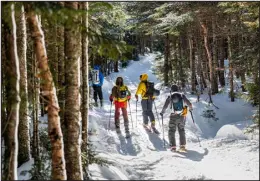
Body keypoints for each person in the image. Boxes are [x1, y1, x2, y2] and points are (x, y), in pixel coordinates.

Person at [160, 84, 193, 152]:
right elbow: (189, 103)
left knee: (172, 130)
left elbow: (165, 106)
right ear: (177, 89)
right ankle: (182, 146)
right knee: (181, 130)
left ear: (171, 90)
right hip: (182, 114)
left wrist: (162, 112)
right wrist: (190, 108)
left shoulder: (170, 96)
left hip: (173, 115)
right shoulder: (181, 95)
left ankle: (173, 146)